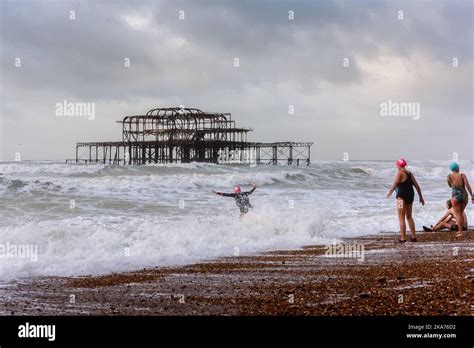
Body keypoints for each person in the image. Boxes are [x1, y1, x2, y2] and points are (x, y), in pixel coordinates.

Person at [387, 158, 425, 243]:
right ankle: (413, 237)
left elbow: (395, 183)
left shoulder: (400, 172)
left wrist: (390, 191)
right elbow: (417, 186)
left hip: (401, 197)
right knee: (409, 216)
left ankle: (403, 238)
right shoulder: (410, 173)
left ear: (398, 165)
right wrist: (421, 197)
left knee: (401, 218)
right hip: (410, 196)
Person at [447, 162, 473, 238]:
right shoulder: (462, 175)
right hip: (464, 196)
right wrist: (472, 195)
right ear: (457, 168)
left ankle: (460, 231)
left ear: (451, 169)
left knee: (458, 214)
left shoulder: (449, 177)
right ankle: (460, 230)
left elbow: (449, 185)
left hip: (455, 198)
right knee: (460, 213)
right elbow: (467, 186)